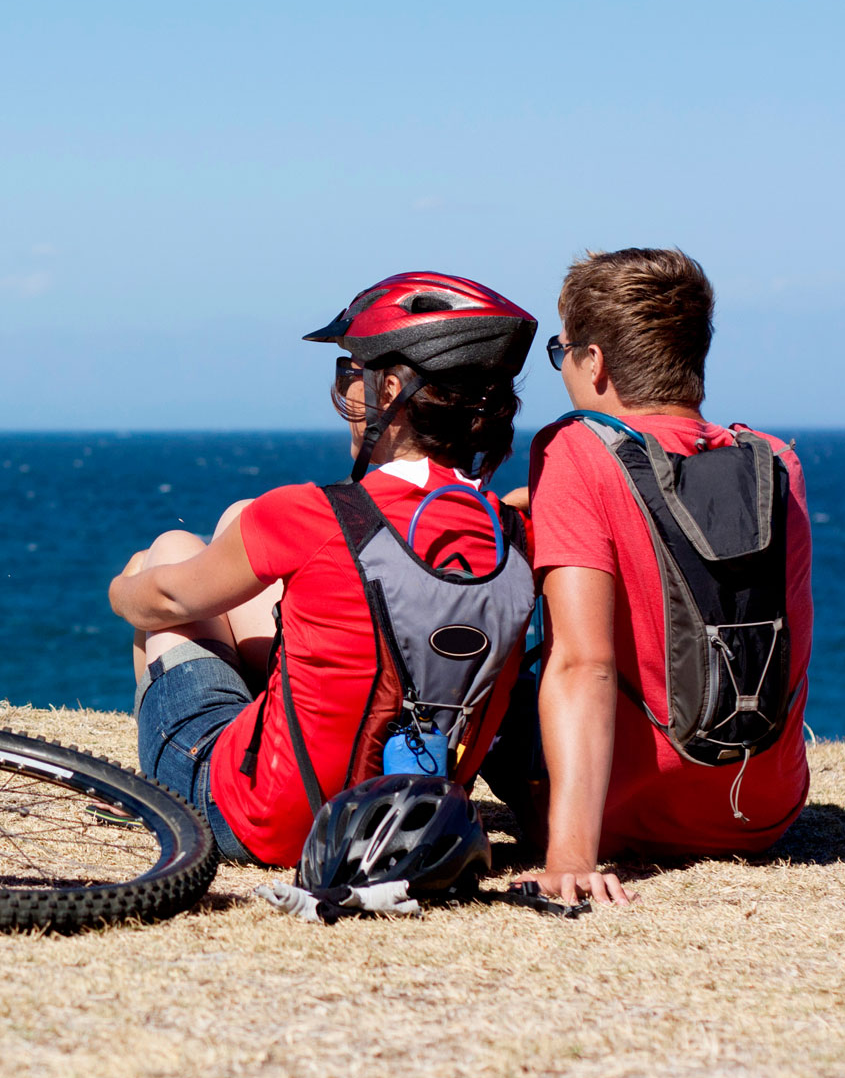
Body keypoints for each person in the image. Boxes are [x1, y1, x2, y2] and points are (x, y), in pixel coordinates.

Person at [109, 273, 538, 867]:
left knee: (164, 553)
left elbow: (167, 601)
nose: (350, 399)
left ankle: (173, 789)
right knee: (240, 522)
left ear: (388, 391)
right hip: (417, 824)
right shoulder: (516, 533)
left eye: (351, 379)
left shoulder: (313, 513)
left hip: (266, 823)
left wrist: (120, 588)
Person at [520, 248, 811, 907]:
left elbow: (582, 664)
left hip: (633, 819)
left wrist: (570, 858)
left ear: (593, 362)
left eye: (561, 350)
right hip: (765, 814)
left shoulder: (575, 451)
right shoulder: (776, 465)